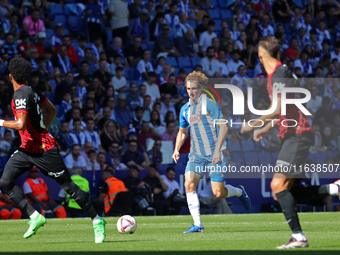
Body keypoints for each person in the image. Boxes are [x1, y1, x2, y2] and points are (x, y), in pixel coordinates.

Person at [241, 36, 340, 249]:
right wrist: (267, 127)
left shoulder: (279, 74)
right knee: (284, 191)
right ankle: (334, 189)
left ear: (260, 55)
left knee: (277, 186)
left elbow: (277, 107)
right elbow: (287, 110)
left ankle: (298, 237)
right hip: (293, 135)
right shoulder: (280, 74)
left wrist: (254, 123)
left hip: (298, 136)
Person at [0, 58, 105, 243]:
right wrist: (42, 130)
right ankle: (34, 216)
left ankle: (97, 220)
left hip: (44, 150)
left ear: (10, 77)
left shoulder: (21, 95)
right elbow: (52, 110)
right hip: (27, 148)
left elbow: (20, 123)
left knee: (69, 187)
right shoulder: (30, 91)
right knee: (5, 181)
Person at [172, 71, 251, 233]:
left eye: (193, 88)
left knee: (219, 192)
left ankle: (238, 191)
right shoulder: (185, 110)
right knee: (189, 184)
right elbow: (182, 132)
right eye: (188, 88)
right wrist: (176, 149)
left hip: (214, 153)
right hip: (196, 155)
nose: (191, 92)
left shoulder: (209, 104)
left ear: (201, 89)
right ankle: (198, 225)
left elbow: (223, 126)